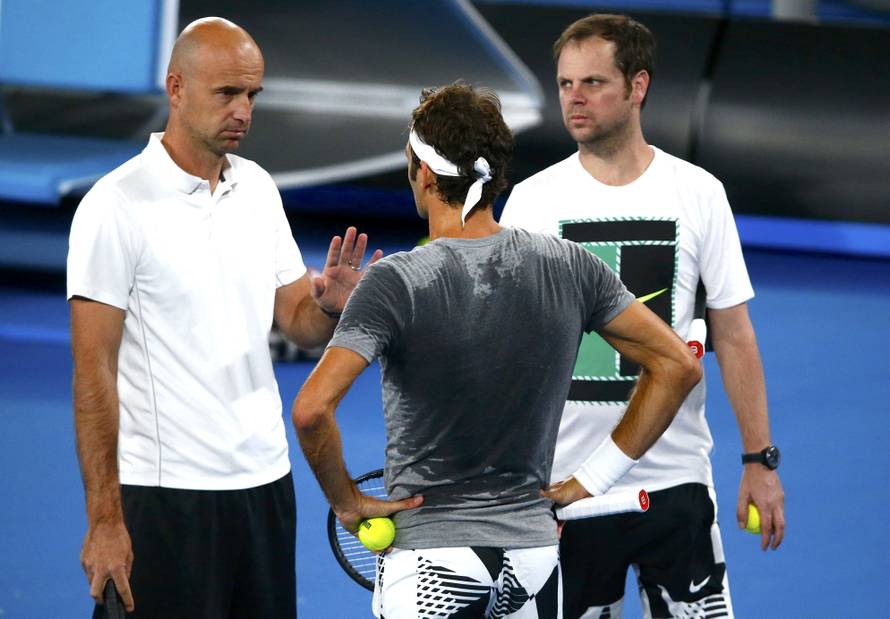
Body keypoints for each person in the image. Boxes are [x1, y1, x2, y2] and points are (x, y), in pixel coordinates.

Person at [292, 82, 702, 619]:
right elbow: (678, 365)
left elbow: (310, 410)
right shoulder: (571, 266)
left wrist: (346, 502)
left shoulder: (395, 280)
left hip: (431, 567)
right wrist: (592, 480)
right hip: (533, 562)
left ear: (423, 172)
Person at [67, 17, 380, 618]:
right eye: (227, 93)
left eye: (252, 95)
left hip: (263, 484)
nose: (243, 110)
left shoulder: (258, 188)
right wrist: (105, 519)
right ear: (176, 88)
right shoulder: (113, 206)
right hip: (164, 497)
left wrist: (332, 307)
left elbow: (296, 321)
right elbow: (93, 370)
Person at [499, 13, 786, 618]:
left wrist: (759, 460)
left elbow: (734, 336)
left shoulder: (699, 193)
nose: (575, 99)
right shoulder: (531, 202)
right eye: (565, 84)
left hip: (676, 480)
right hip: (564, 490)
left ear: (638, 86)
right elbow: (510, 352)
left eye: (594, 83)